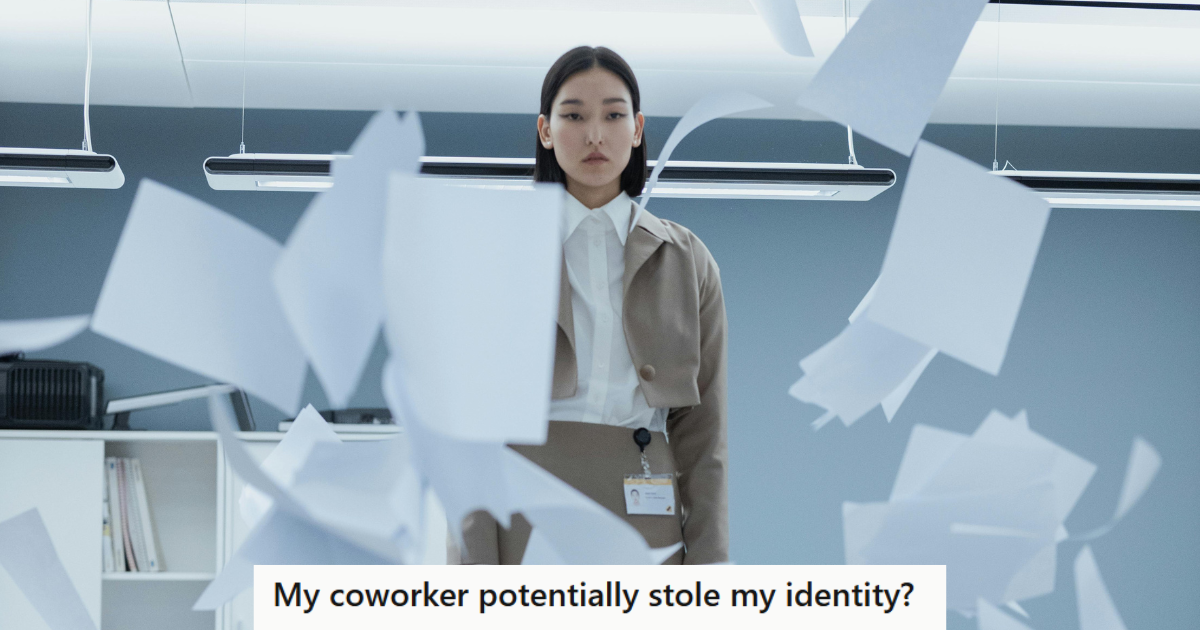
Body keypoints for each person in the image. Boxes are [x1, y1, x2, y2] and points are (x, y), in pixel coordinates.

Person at [461, 45, 728, 565]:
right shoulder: (495, 252)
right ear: (545, 131)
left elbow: (705, 439)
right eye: (574, 116)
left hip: (648, 527)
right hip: (526, 516)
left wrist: (709, 575)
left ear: (637, 128)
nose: (594, 135)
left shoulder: (687, 260)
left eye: (613, 115)